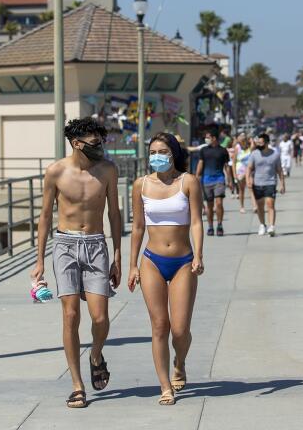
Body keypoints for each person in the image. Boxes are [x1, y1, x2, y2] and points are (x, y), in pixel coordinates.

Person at [30, 117, 122, 409]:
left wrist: (118, 254)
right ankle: (77, 385)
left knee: (100, 318)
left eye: (101, 142)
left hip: (96, 245)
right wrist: (39, 261)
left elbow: (115, 213)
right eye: (94, 143)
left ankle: (96, 355)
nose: (100, 148)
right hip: (65, 246)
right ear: (76, 143)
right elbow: (45, 216)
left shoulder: (107, 170)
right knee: (70, 316)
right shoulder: (56, 171)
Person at [128, 132, 204, 406]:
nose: (156, 156)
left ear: (173, 153)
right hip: (152, 261)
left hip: (183, 261)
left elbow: (196, 221)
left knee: (180, 329)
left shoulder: (188, 182)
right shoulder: (141, 185)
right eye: (153, 152)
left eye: (162, 151)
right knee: (160, 325)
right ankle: (164, 386)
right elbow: (137, 227)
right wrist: (132, 265)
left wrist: (199, 254)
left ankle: (179, 362)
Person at [196, 128, 233, 236]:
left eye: (208, 137)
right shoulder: (204, 150)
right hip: (206, 180)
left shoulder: (222, 150)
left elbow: (227, 167)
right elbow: (200, 163)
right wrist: (196, 177)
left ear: (214, 138)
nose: (206, 139)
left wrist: (230, 181)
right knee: (209, 206)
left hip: (219, 179)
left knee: (219, 203)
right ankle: (211, 226)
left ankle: (220, 225)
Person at [248, 133, 286, 236]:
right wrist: (248, 179)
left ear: (267, 143)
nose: (259, 144)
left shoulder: (275, 154)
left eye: (261, 143)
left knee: (270, 204)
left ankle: (271, 226)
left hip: (270, 182)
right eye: (258, 142)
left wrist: (282, 184)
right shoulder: (254, 154)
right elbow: (249, 168)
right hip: (257, 183)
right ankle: (262, 224)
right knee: (260, 206)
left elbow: (279, 170)